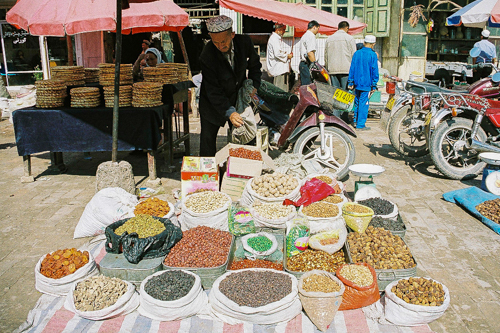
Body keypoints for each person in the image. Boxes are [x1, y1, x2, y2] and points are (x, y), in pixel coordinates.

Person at [198, 15, 262, 156]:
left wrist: (254, 85)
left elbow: (255, 66)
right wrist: (229, 113)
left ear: (232, 34)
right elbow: (213, 91)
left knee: (243, 137)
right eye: (216, 43)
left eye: (223, 41)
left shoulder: (244, 42)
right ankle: (209, 175)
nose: (220, 46)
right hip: (212, 103)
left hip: (236, 98)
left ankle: (241, 170)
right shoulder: (207, 55)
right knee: (207, 142)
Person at [347, 35, 379, 131]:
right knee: (364, 103)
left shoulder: (357, 53)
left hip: (357, 83)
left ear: (364, 42)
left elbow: (352, 68)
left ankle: (356, 121)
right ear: (373, 44)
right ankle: (361, 125)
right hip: (366, 84)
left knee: (357, 102)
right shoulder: (373, 55)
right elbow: (374, 70)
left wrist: (351, 81)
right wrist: (374, 84)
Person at [324, 21, 356, 90]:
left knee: (335, 93)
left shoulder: (329, 39)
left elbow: (326, 56)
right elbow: (354, 56)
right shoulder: (350, 38)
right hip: (346, 69)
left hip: (333, 69)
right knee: (345, 93)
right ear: (347, 28)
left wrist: (327, 67)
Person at [266, 23, 293, 91]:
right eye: (283, 30)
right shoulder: (274, 39)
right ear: (278, 29)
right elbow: (277, 54)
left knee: (283, 88)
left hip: (280, 68)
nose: (284, 32)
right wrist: (287, 56)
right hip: (278, 69)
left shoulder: (276, 39)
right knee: (280, 89)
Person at [299, 20, 320, 86]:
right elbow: (310, 53)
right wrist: (315, 65)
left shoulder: (305, 35)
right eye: (317, 29)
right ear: (314, 27)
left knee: (306, 86)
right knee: (308, 87)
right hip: (307, 64)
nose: (318, 31)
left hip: (304, 64)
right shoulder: (310, 36)